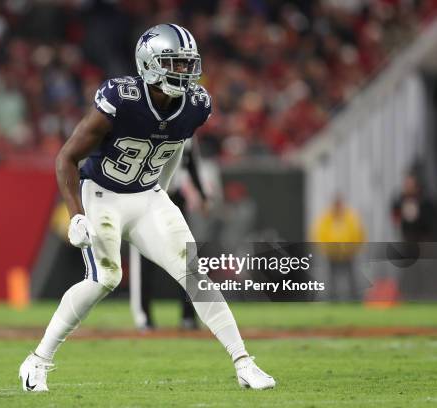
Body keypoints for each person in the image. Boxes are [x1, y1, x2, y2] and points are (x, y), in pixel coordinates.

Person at [19, 24, 276, 392]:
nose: (185, 72)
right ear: (150, 64)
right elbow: (67, 158)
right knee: (105, 279)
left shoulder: (196, 105)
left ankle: (243, 363)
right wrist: (76, 214)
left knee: (196, 275)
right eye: (175, 63)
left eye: (189, 64)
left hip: (146, 195)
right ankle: (38, 361)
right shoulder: (121, 98)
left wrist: (162, 192)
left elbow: (174, 148)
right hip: (102, 194)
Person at [130, 142, 208, 331]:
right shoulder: (149, 124)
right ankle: (144, 317)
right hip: (147, 197)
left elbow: (190, 164)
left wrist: (202, 194)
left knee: (186, 257)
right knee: (145, 260)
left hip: (174, 198)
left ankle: (188, 316)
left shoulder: (187, 131)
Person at [311, 193, 365, 301]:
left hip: (348, 253)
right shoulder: (326, 218)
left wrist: (354, 248)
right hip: (332, 254)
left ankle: (355, 300)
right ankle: (331, 299)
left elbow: (358, 233)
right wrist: (325, 249)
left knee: (352, 279)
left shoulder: (350, 217)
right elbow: (319, 234)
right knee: (331, 279)